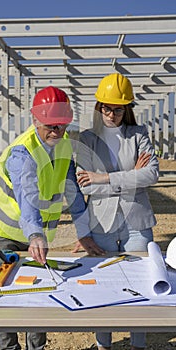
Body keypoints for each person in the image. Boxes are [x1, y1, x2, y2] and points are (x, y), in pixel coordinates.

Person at [0, 86, 104, 350]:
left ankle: (37, 348)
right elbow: (28, 197)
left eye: (61, 126)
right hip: (3, 232)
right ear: (34, 120)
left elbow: (72, 191)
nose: (56, 132)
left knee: (39, 291)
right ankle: (9, 348)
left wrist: (83, 232)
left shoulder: (63, 147)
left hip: (34, 235)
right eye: (50, 126)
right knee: (5, 294)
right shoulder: (22, 154)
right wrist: (35, 234)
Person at [75, 73, 159, 350]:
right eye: (107, 108)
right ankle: (103, 344)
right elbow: (86, 187)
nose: (112, 114)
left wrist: (104, 178)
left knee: (143, 283)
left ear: (127, 109)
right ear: (99, 107)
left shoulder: (139, 134)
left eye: (119, 108)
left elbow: (151, 175)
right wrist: (130, 177)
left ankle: (138, 344)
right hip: (101, 223)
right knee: (103, 283)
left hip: (137, 222)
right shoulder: (86, 139)